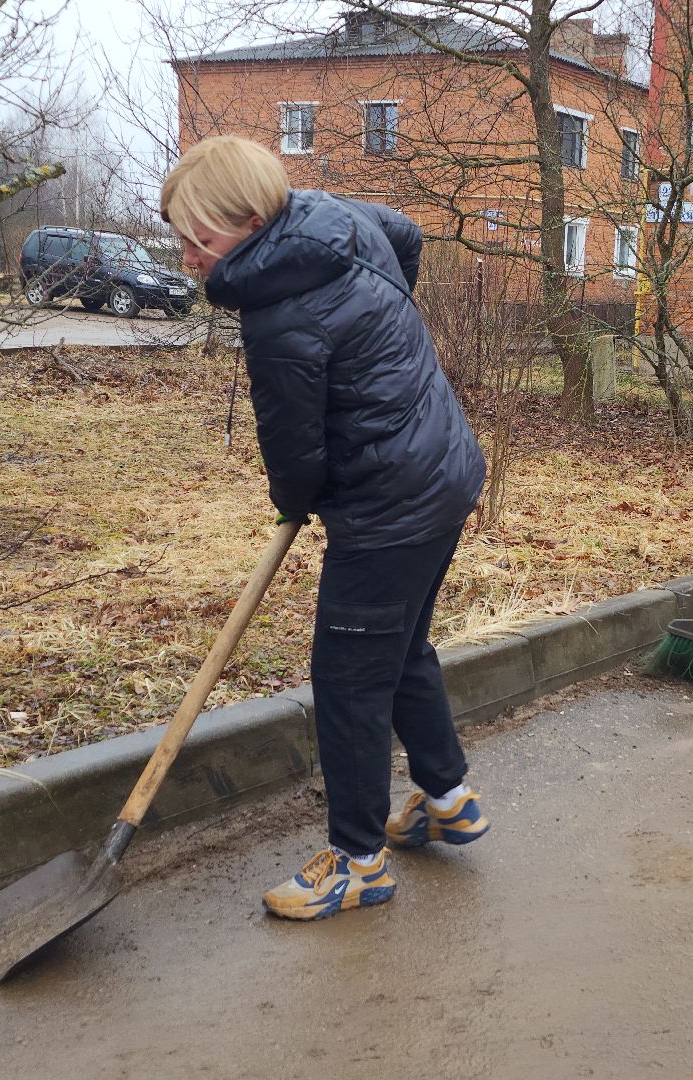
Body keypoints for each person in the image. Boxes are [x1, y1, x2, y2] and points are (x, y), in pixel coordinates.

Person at [161, 135, 490, 919]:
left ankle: (356, 861)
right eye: (178, 238)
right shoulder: (331, 218)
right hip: (445, 469)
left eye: (197, 238)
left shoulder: (278, 313)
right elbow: (406, 234)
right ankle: (448, 800)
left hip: (386, 508)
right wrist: (383, 337)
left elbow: (294, 448)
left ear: (244, 221)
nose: (186, 257)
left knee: (348, 684)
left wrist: (294, 498)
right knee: (402, 649)